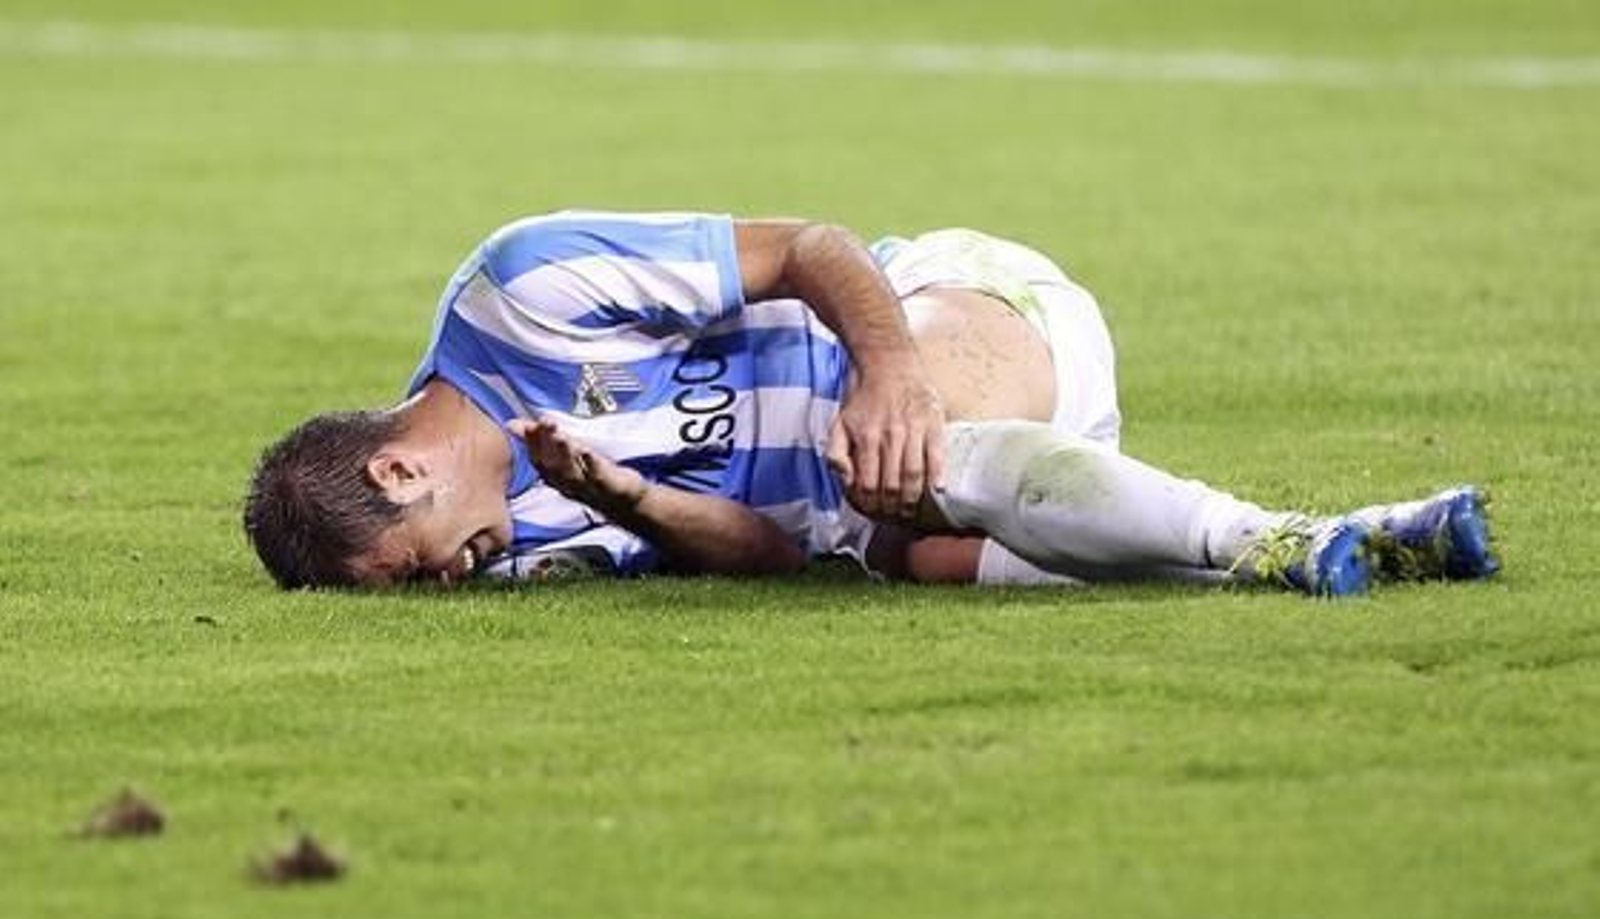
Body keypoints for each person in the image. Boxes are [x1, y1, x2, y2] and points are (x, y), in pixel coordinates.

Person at [243, 211, 1497, 594]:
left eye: (409, 575)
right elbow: (774, 559)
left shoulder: (526, 292)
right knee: (920, 555)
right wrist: (633, 498)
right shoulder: (530, 540)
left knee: (895, 450)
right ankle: (1374, 532)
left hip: (965, 319)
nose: (445, 589)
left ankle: (1258, 536)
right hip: (920, 508)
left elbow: (807, 248)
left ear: (397, 474)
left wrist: (887, 371)